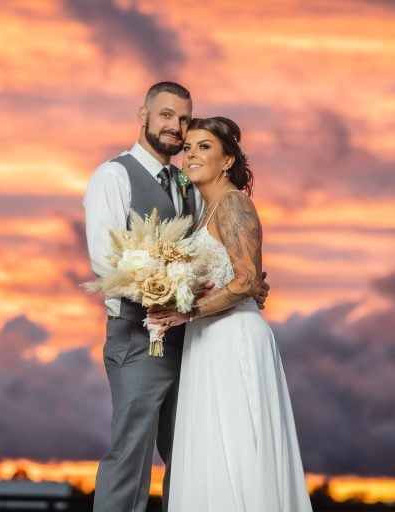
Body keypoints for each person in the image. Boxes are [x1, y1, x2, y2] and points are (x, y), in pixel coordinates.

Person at [83, 84, 270, 512]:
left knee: (189, 458)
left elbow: (211, 253)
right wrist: (169, 296)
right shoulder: (113, 175)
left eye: (184, 119)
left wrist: (246, 281)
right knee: (131, 454)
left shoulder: (188, 182)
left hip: (194, 345)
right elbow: (105, 261)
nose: (175, 127)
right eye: (166, 115)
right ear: (143, 115)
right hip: (138, 338)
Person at [149, 117, 313, 511]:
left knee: (239, 449)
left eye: (204, 147)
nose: (191, 154)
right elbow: (243, 278)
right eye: (187, 147)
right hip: (206, 344)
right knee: (210, 450)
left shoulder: (234, 203)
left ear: (227, 160)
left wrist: (187, 313)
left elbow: (245, 280)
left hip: (233, 338)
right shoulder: (205, 212)